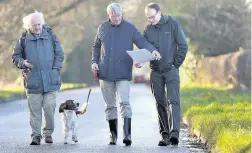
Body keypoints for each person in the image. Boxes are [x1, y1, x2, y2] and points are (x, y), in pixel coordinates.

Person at [91, 3, 161, 146]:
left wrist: (152, 50)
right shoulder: (102, 28)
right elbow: (96, 47)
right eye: (114, 15)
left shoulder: (129, 28)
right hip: (105, 73)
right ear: (109, 15)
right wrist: (94, 61)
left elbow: (142, 42)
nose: (117, 18)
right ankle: (113, 136)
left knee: (124, 102)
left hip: (123, 73)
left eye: (119, 15)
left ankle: (127, 135)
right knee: (110, 105)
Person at [12, 11, 64, 145]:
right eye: (34, 25)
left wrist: (55, 69)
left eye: (39, 24)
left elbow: (60, 53)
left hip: (51, 80)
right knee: (35, 111)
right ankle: (36, 135)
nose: (37, 27)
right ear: (29, 26)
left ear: (43, 23)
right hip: (33, 81)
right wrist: (23, 63)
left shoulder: (51, 35)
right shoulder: (23, 40)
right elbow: (16, 57)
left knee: (49, 108)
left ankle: (48, 133)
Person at [143, 3, 188, 146]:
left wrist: (176, 64)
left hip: (171, 70)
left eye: (152, 16)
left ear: (159, 12)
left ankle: (175, 134)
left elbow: (183, 45)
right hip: (155, 72)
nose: (150, 20)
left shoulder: (172, 23)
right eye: (148, 18)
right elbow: (145, 49)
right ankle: (165, 136)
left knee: (173, 101)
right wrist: (141, 61)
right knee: (160, 103)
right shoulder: (148, 29)